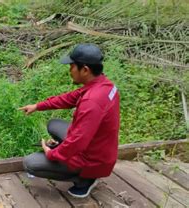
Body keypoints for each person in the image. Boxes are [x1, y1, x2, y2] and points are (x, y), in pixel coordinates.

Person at [18, 43, 120, 198]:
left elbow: (77, 142)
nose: (69, 71)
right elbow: (69, 98)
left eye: (72, 66)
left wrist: (51, 153)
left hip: (93, 160)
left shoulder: (92, 102)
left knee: (30, 163)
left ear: (85, 70)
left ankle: (84, 179)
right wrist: (38, 106)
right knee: (54, 124)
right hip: (99, 146)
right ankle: (69, 161)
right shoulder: (104, 85)